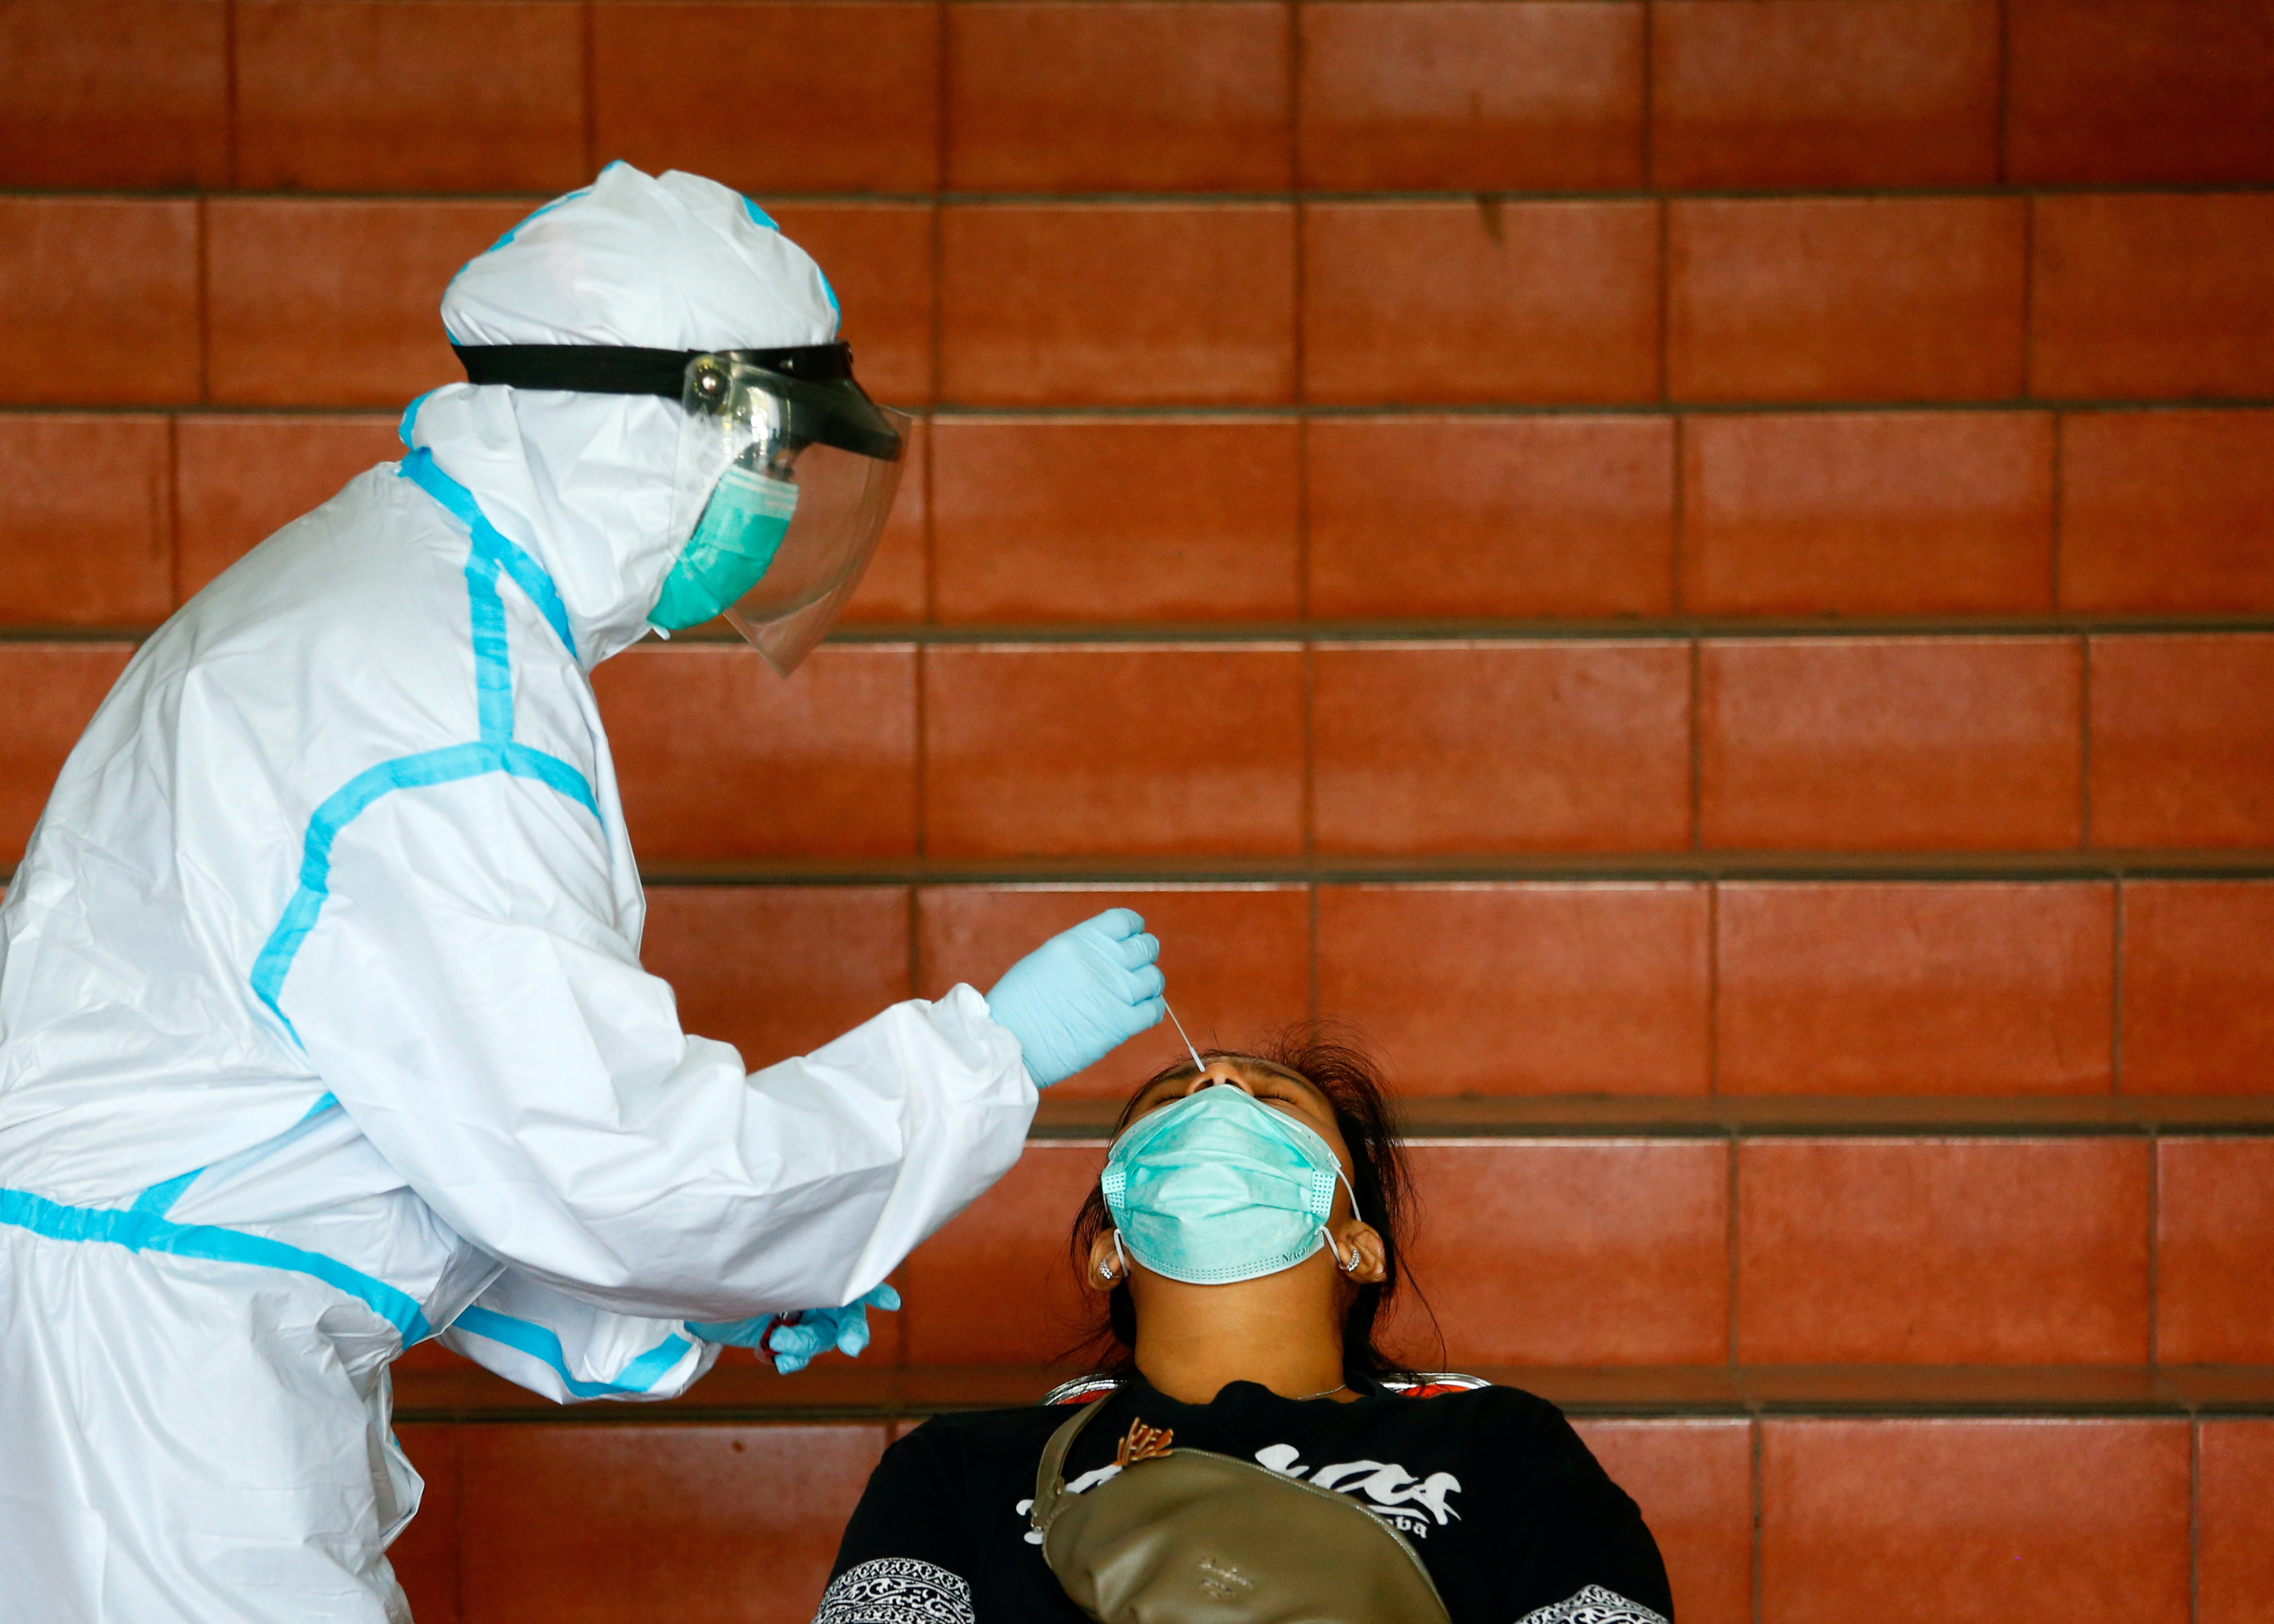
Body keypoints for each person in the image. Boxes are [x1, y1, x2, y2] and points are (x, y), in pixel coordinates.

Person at [0, 162, 1166, 1623]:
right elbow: (606, 1162)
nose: (779, 507)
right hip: (146, 1397)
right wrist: (982, 1058)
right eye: (774, 460)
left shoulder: (394, 592)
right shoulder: (432, 698)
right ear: (658, 434)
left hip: (139, 1345)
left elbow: (406, 1117)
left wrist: (705, 1300)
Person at [818, 1037, 1674, 1624]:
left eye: (1275, 1102)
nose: (1215, 1083)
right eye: (1170, 1100)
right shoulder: (957, 1465)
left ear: (1359, 1244)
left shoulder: (1501, 1440)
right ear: (1108, 1250)